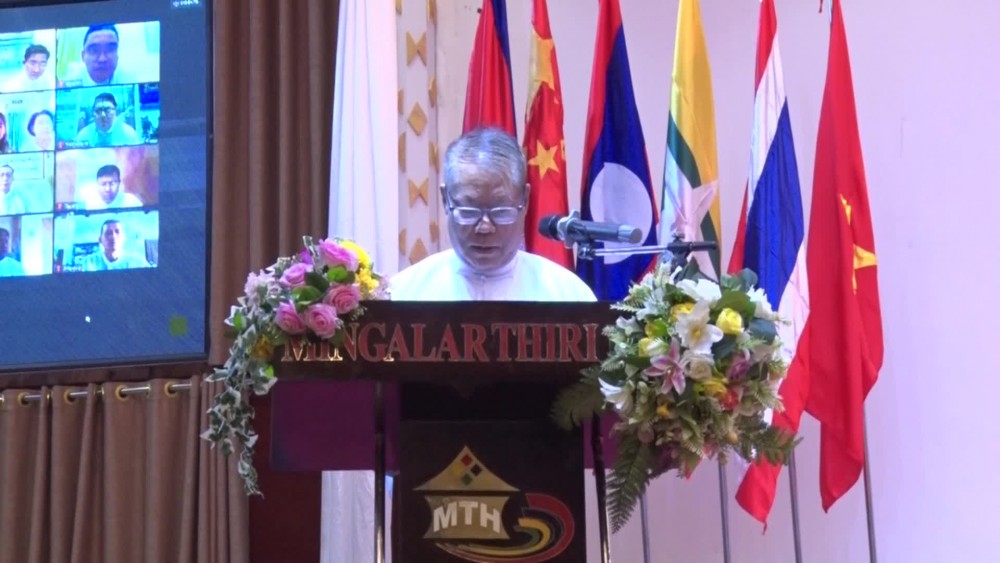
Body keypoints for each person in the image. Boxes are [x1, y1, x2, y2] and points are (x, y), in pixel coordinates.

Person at [389, 127, 596, 302]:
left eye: (501, 211)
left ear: (525, 200)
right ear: (445, 200)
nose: (485, 227)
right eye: (469, 211)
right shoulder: (403, 295)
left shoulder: (568, 296)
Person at [75, 93, 140, 148]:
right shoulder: (83, 136)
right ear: (93, 113)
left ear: (116, 111)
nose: (103, 115)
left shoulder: (129, 135)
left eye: (107, 110)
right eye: (98, 110)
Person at [82, 219, 149, 271]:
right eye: (108, 233)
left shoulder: (138, 263)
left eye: (117, 232)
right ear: (100, 239)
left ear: (124, 238)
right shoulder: (88, 263)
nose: (113, 236)